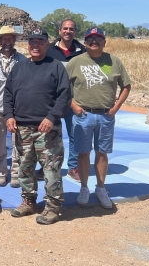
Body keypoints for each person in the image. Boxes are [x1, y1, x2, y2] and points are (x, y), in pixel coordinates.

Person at [4, 27, 71, 225]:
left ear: (46, 44)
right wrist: (9, 116)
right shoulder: (19, 67)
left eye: (39, 42)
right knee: (25, 168)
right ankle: (29, 201)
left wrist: (51, 117)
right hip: (22, 128)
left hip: (47, 129)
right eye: (32, 41)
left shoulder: (56, 66)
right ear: (28, 44)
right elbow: (8, 94)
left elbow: (65, 95)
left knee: (51, 169)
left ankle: (52, 207)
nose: (35, 45)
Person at [66, 27, 131, 209]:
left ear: (104, 42)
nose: (94, 41)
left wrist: (116, 107)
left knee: (102, 153)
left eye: (98, 38)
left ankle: (101, 188)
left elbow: (126, 86)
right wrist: (74, 106)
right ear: (85, 42)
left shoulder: (114, 61)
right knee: (83, 152)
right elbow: (62, 87)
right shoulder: (75, 62)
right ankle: (84, 188)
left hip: (105, 115)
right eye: (90, 38)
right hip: (83, 115)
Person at [45, 19, 86, 182]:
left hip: (74, 102)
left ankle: (73, 167)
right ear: (60, 31)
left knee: (75, 135)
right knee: (48, 136)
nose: (68, 31)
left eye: (71, 29)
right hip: (51, 101)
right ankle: (46, 167)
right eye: (65, 28)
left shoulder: (82, 51)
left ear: (75, 32)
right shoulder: (48, 50)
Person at [0, 26, 25, 187]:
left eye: (10, 38)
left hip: (18, 110)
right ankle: (2, 172)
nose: (7, 41)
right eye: (5, 38)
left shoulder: (23, 61)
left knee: (19, 143)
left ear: (14, 40)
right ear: (0, 41)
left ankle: (16, 173)